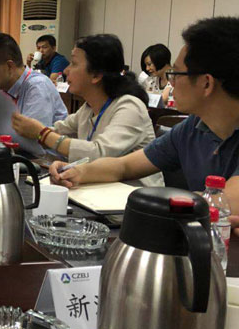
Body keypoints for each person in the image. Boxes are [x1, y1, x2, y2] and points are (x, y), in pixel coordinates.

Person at [50, 18, 239, 220]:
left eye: (175, 73)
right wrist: (78, 172)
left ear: (206, 83)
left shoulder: (131, 106)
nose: (171, 83)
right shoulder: (193, 127)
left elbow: (225, 203)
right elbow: (125, 166)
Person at [12, 33, 162, 186]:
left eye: (74, 63)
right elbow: (60, 130)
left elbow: (99, 153)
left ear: (96, 75)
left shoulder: (130, 107)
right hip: (98, 189)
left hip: (136, 195)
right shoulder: (89, 108)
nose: (66, 70)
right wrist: (28, 130)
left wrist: (43, 134)